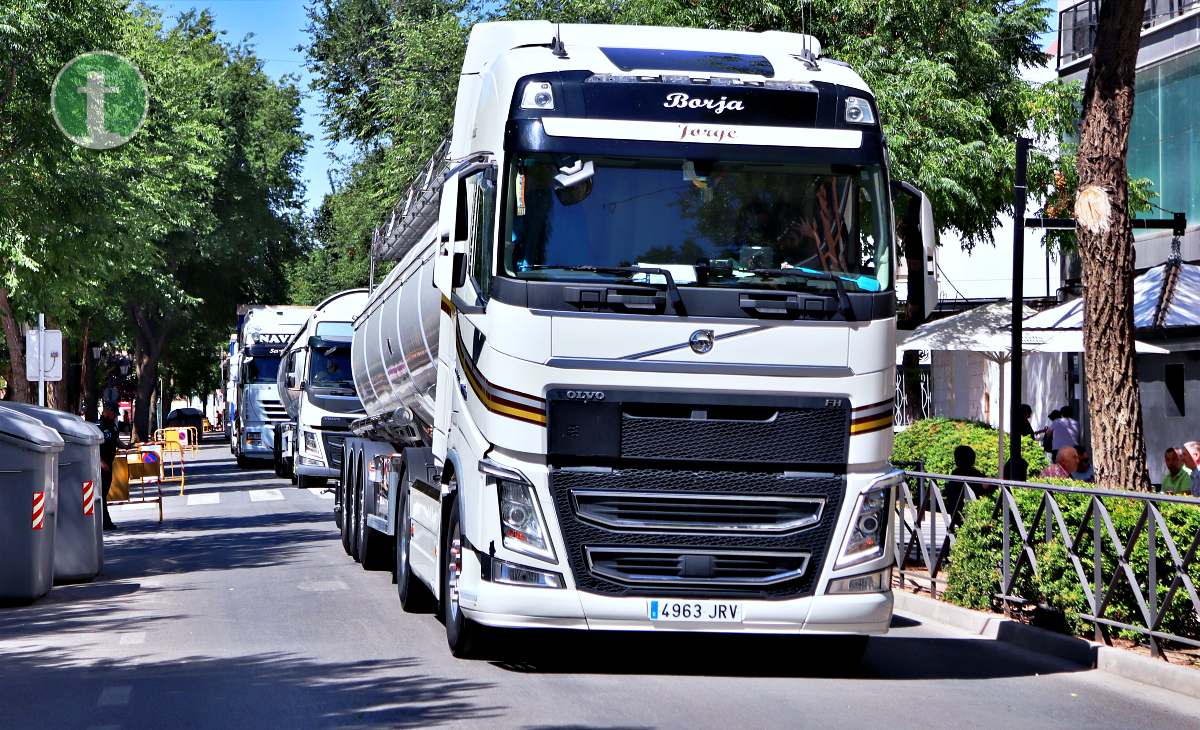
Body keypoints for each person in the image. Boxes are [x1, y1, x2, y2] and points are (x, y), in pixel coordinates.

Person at [943, 445, 989, 520]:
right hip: (969, 514)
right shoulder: (974, 474)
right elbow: (983, 488)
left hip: (955, 512)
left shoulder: (955, 473)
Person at [98, 402, 121, 530]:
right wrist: (101, 462)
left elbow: (116, 440)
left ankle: (105, 522)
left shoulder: (113, 426)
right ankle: (105, 522)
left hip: (108, 465)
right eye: (113, 414)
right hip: (101, 466)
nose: (115, 416)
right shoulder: (98, 426)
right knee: (101, 494)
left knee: (104, 493)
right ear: (107, 411)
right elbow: (95, 447)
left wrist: (126, 446)